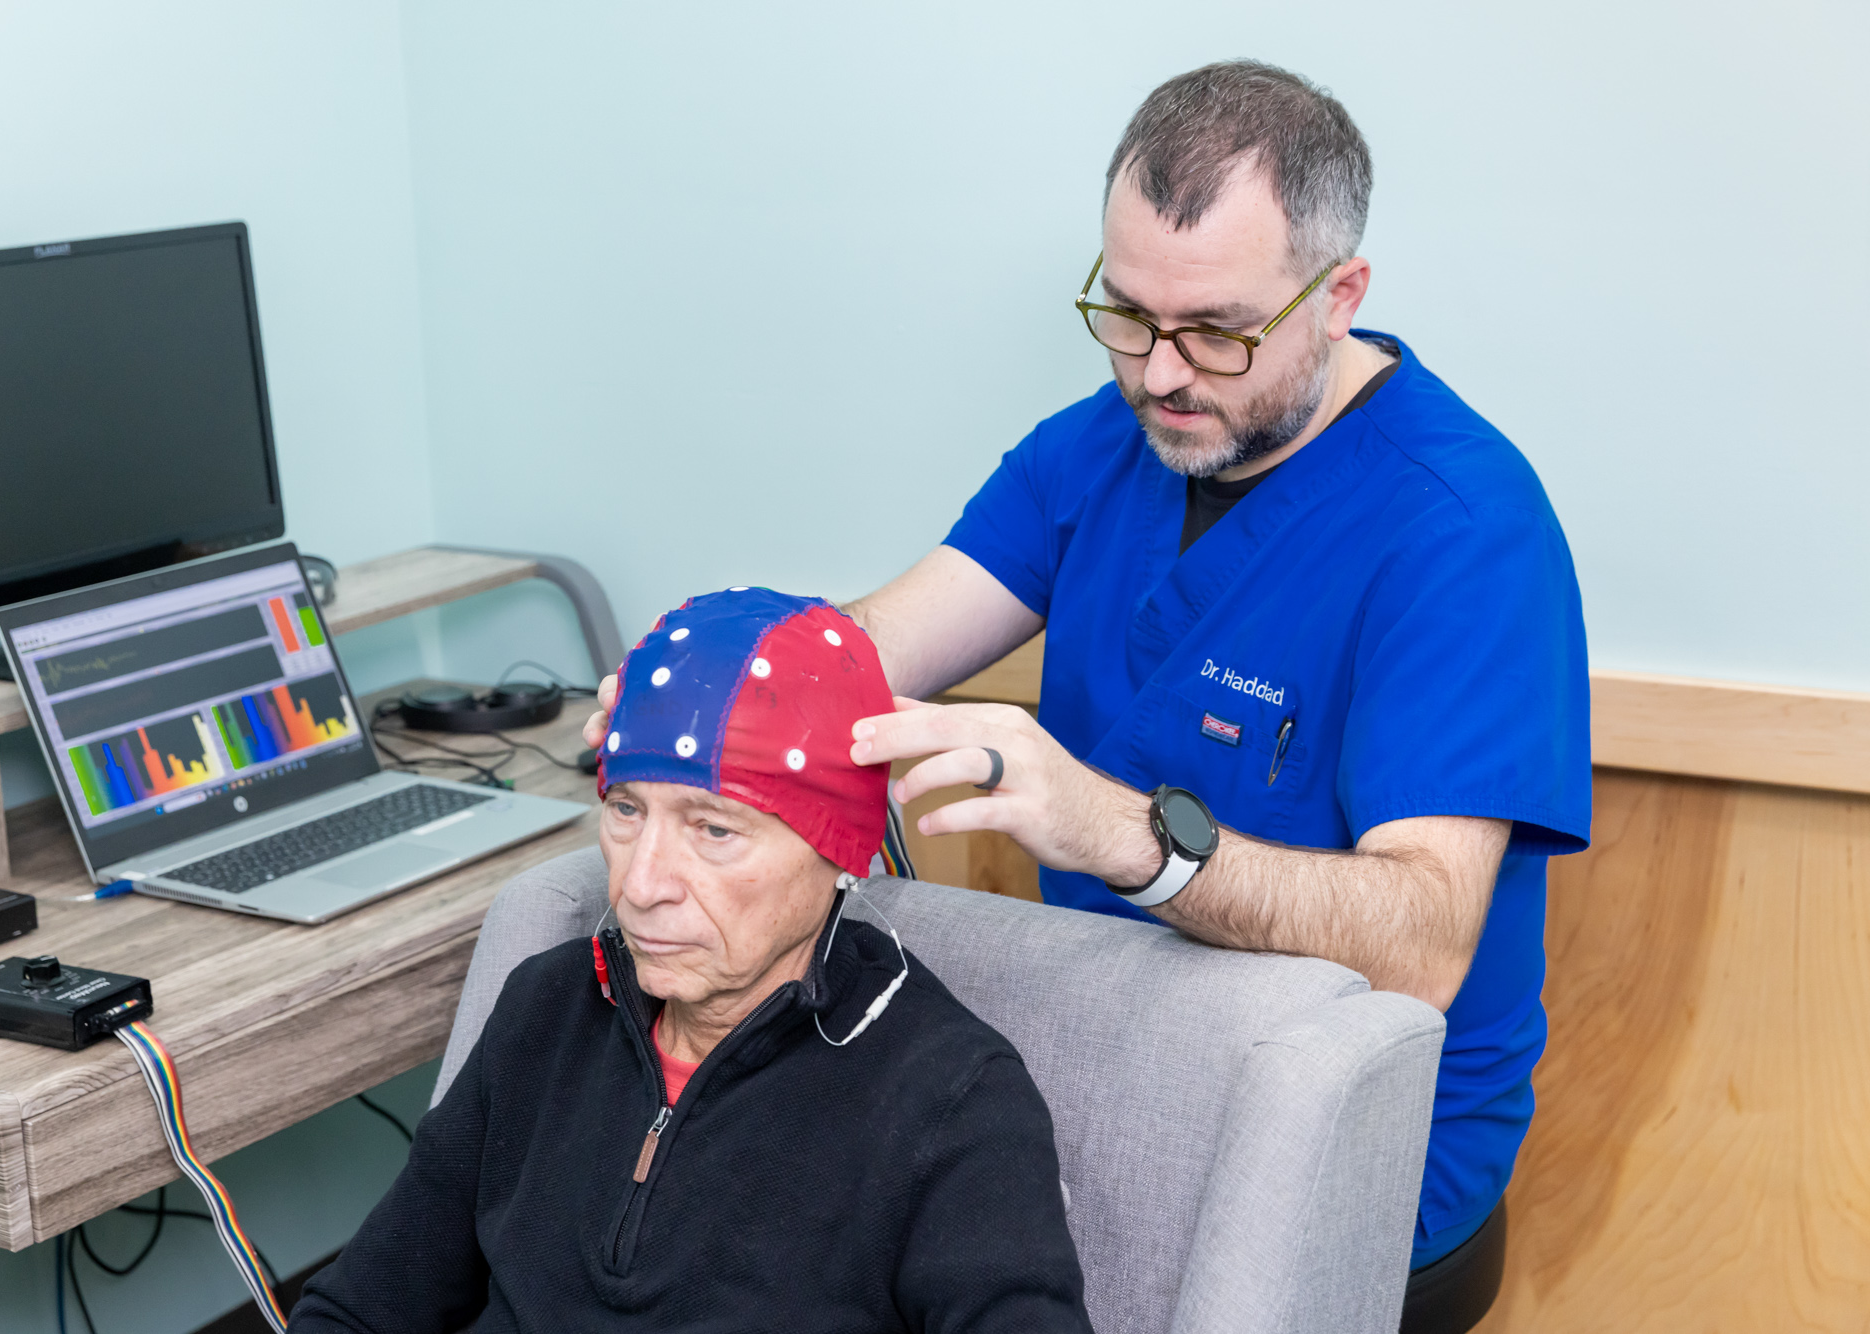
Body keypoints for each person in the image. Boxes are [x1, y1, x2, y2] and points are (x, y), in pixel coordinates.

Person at [583, 60, 1592, 1280]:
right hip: (1112, 1039)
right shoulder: (1098, 452)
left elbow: (1419, 942)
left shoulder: (1460, 529)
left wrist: (1119, 832)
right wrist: (701, 689)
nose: (1158, 374)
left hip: (1355, 1122)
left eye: (1215, 332)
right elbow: (860, 651)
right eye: (1125, 314)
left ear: (1338, 296)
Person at [295, 589, 1093, 1333]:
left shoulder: (951, 1099)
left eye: (714, 830)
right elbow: (357, 1313)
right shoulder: (547, 1008)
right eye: (625, 810)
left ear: (839, 848)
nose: (641, 885)